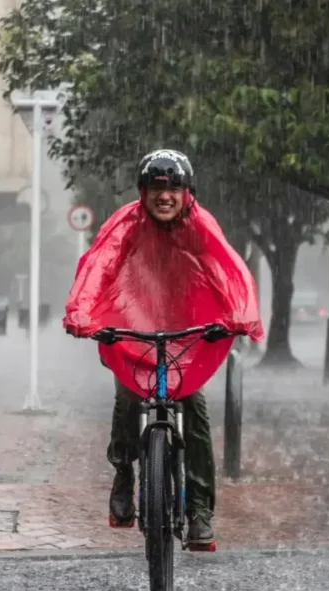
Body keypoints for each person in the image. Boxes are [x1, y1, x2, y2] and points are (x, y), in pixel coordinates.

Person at [63, 149, 263, 547]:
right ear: (142, 193)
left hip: (186, 328)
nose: (165, 196)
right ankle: (124, 475)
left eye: (173, 188)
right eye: (156, 188)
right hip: (133, 321)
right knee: (127, 394)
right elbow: (98, 266)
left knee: (196, 410)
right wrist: (81, 312)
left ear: (188, 193)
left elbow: (229, 270)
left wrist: (241, 313)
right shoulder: (125, 223)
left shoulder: (201, 226)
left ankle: (200, 511)